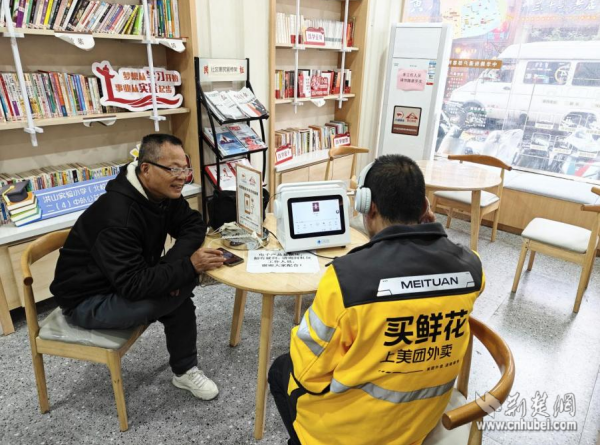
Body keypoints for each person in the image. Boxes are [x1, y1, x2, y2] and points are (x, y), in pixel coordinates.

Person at [268, 154, 485, 445]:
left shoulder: (346, 279)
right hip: (418, 425)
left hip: (350, 434)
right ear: (424, 207)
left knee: (280, 369)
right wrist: (435, 237)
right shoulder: (471, 267)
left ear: (368, 208)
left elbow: (309, 372)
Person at [50, 133, 225, 400]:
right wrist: (188, 268)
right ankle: (186, 364)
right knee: (171, 297)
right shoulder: (117, 215)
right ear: (146, 168)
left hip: (125, 278)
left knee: (178, 294)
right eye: (174, 169)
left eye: (185, 169)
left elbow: (193, 224)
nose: (182, 177)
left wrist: (172, 267)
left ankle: (184, 371)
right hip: (87, 300)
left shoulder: (161, 192)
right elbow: (133, 285)